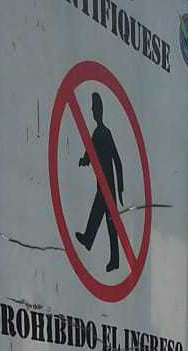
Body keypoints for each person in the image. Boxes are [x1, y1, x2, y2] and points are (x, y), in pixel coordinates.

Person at [74, 92, 124, 273]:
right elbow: (90, 153)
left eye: (94, 108)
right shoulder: (97, 133)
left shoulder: (104, 133)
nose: (93, 111)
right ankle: (90, 240)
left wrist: (120, 188)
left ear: (99, 110)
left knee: (110, 223)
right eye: (93, 108)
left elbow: (117, 160)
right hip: (103, 185)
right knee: (104, 218)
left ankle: (112, 257)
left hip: (107, 186)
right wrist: (84, 160)